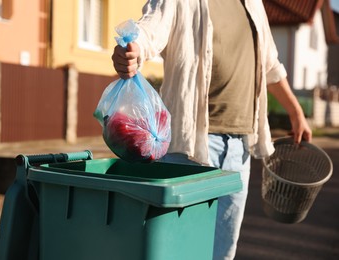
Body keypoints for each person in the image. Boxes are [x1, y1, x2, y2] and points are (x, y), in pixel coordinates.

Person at [112, 0, 312, 259]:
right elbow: (150, 29)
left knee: (223, 251)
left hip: (240, 147)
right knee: (178, 249)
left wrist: (296, 111)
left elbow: (270, 63)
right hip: (190, 147)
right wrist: (133, 49)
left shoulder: (252, 4)